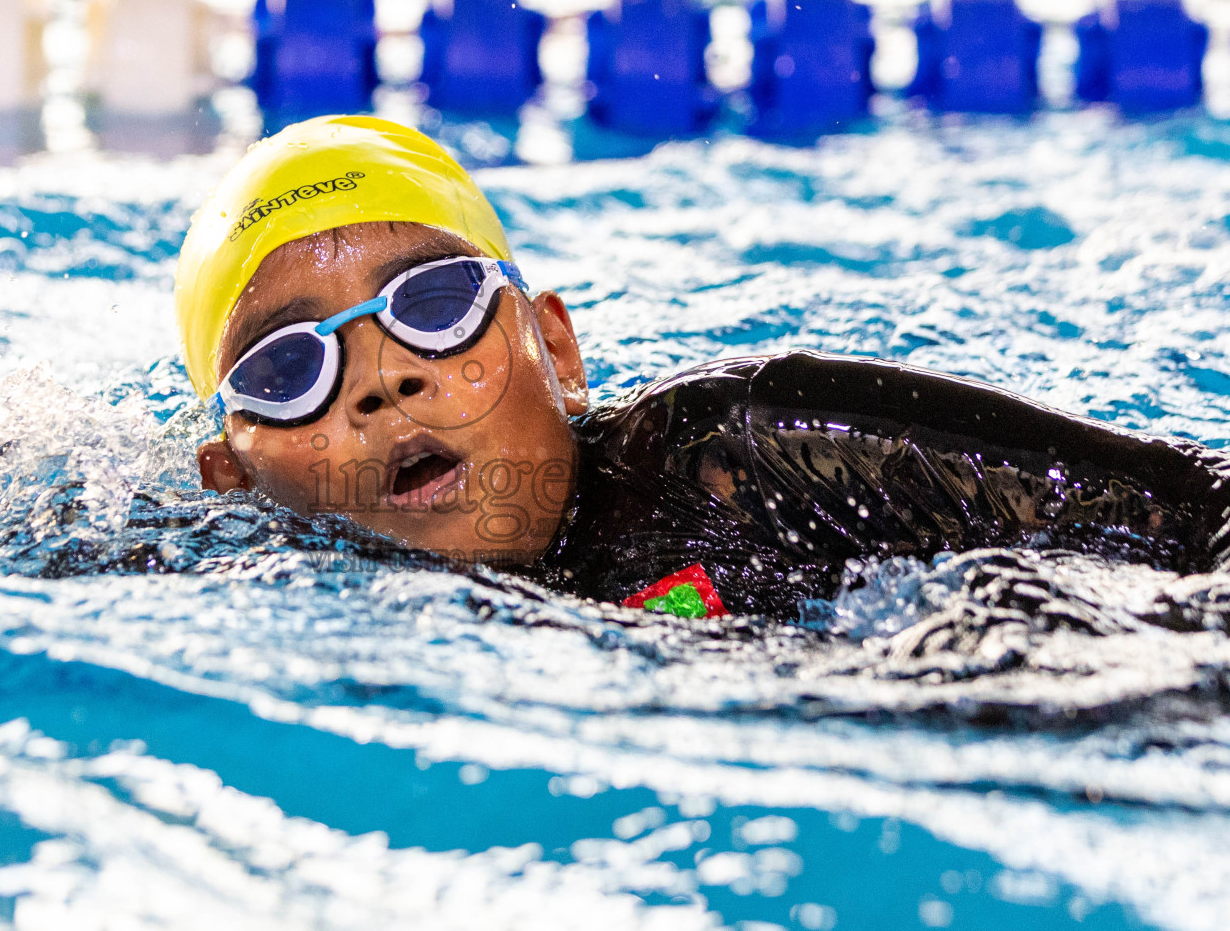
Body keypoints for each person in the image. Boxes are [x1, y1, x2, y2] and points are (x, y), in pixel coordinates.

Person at [175, 115, 1230, 621]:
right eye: (286, 369)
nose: (382, 379)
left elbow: (1197, 506)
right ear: (234, 471)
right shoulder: (272, 603)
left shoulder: (745, 447)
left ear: (557, 348)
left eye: (434, 303)